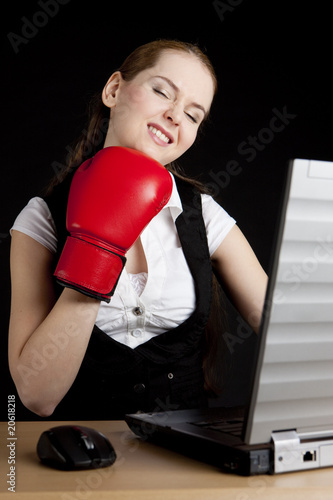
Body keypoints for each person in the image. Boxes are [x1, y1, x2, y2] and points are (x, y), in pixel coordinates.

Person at [8, 40, 268, 420]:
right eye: (162, 91)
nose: (176, 115)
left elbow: (276, 321)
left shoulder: (204, 214)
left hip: (191, 458)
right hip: (82, 459)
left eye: (194, 115)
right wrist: (96, 251)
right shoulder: (42, 219)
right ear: (114, 89)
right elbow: (36, 396)